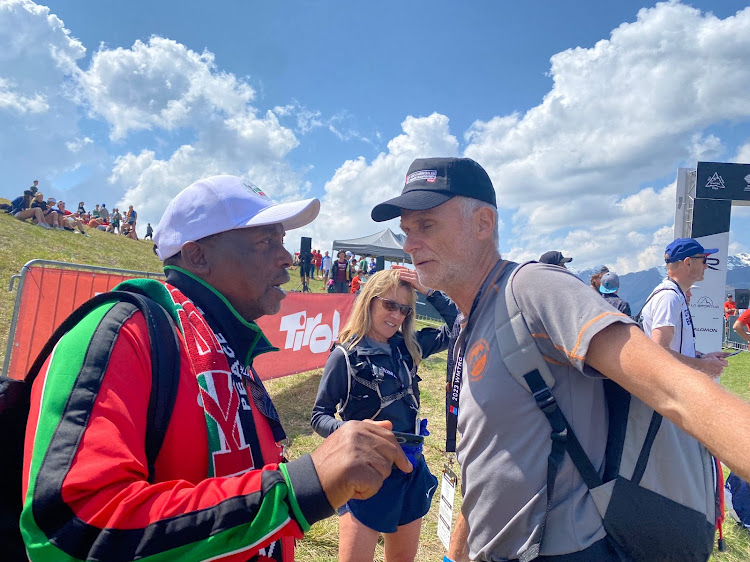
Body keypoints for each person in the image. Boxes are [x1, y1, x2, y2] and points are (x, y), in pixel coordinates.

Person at [372, 157, 750, 561]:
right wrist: (458, 553)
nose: (410, 244)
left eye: (426, 225)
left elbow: (677, 390)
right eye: (406, 230)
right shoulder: (471, 319)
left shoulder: (534, 289)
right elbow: (488, 455)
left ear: (484, 223)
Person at [21, 175, 411, 562]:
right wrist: (297, 489)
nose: (287, 258)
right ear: (198, 256)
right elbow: (70, 530)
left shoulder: (227, 346)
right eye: (266, 242)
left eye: (283, 241)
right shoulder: (123, 331)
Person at [311, 268, 458, 562]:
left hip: (409, 468)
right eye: (389, 305)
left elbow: (460, 325)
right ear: (370, 302)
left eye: (404, 309)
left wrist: (429, 291)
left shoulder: (407, 346)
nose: (397, 315)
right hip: (366, 470)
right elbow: (319, 415)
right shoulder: (346, 355)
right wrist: (352, 432)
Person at [641, 238, 730, 380]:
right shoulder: (669, 297)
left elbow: (675, 346)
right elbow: (659, 352)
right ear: (688, 262)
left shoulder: (674, 295)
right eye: (704, 260)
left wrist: (702, 357)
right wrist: (703, 366)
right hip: (665, 387)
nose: (706, 266)